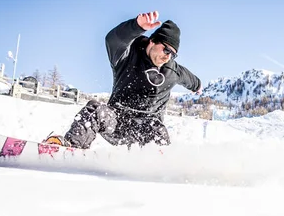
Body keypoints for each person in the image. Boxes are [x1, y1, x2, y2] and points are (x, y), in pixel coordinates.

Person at [47, 11, 202, 149]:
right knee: (95, 109)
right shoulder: (126, 55)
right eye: (166, 49)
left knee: (157, 128)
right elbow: (112, 40)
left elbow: (190, 79)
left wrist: (198, 86)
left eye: (173, 54)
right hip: (116, 122)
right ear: (153, 41)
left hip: (146, 131)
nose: (168, 56)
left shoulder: (172, 70)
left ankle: (162, 163)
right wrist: (135, 26)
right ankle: (71, 147)